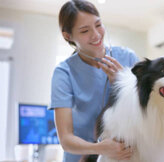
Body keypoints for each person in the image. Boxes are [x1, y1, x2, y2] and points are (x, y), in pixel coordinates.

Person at [48, 0, 139, 161]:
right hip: (80, 157)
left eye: (98, 25)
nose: (96, 35)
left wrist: (123, 84)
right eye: (84, 31)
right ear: (68, 36)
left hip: (123, 156)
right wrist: (98, 149)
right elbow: (66, 139)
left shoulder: (128, 58)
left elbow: (144, 109)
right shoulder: (64, 73)